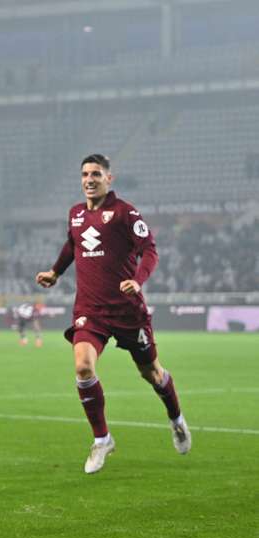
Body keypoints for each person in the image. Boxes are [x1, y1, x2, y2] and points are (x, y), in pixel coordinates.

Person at [36, 154, 191, 474]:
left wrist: (138, 280)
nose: (89, 179)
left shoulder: (124, 213)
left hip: (127, 311)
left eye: (96, 174)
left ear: (110, 179)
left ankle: (176, 419)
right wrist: (55, 272)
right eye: (84, 174)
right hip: (90, 309)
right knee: (82, 367)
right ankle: (102, 439)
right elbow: (72, 245)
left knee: (152, 373)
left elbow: (150, 249)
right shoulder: (76, 214)